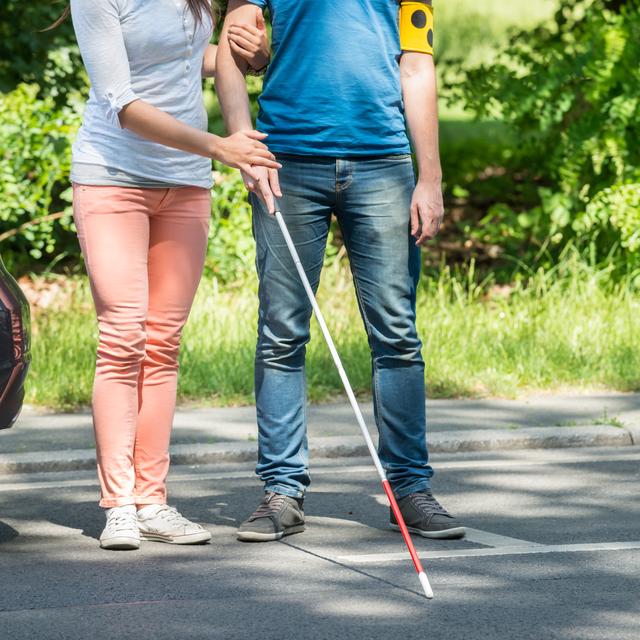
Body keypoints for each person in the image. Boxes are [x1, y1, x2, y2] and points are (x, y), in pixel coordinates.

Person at [216, 0, 466, 542]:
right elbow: (233, 52)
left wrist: (431, 177)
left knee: (397, 335)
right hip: (287, 162)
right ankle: (282, 491)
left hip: (384, 165)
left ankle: (410, 489)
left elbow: (417, 65)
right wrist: (243, 143)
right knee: (281, 333)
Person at [66, 0, 278, 550]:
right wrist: (220, 147)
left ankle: (152, 499)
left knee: (162, 343)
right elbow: (123, 103)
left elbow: (188, 56)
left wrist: (251, 54)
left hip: (184, 184)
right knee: (123, 337)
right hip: (112, 176)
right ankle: (119, 506)